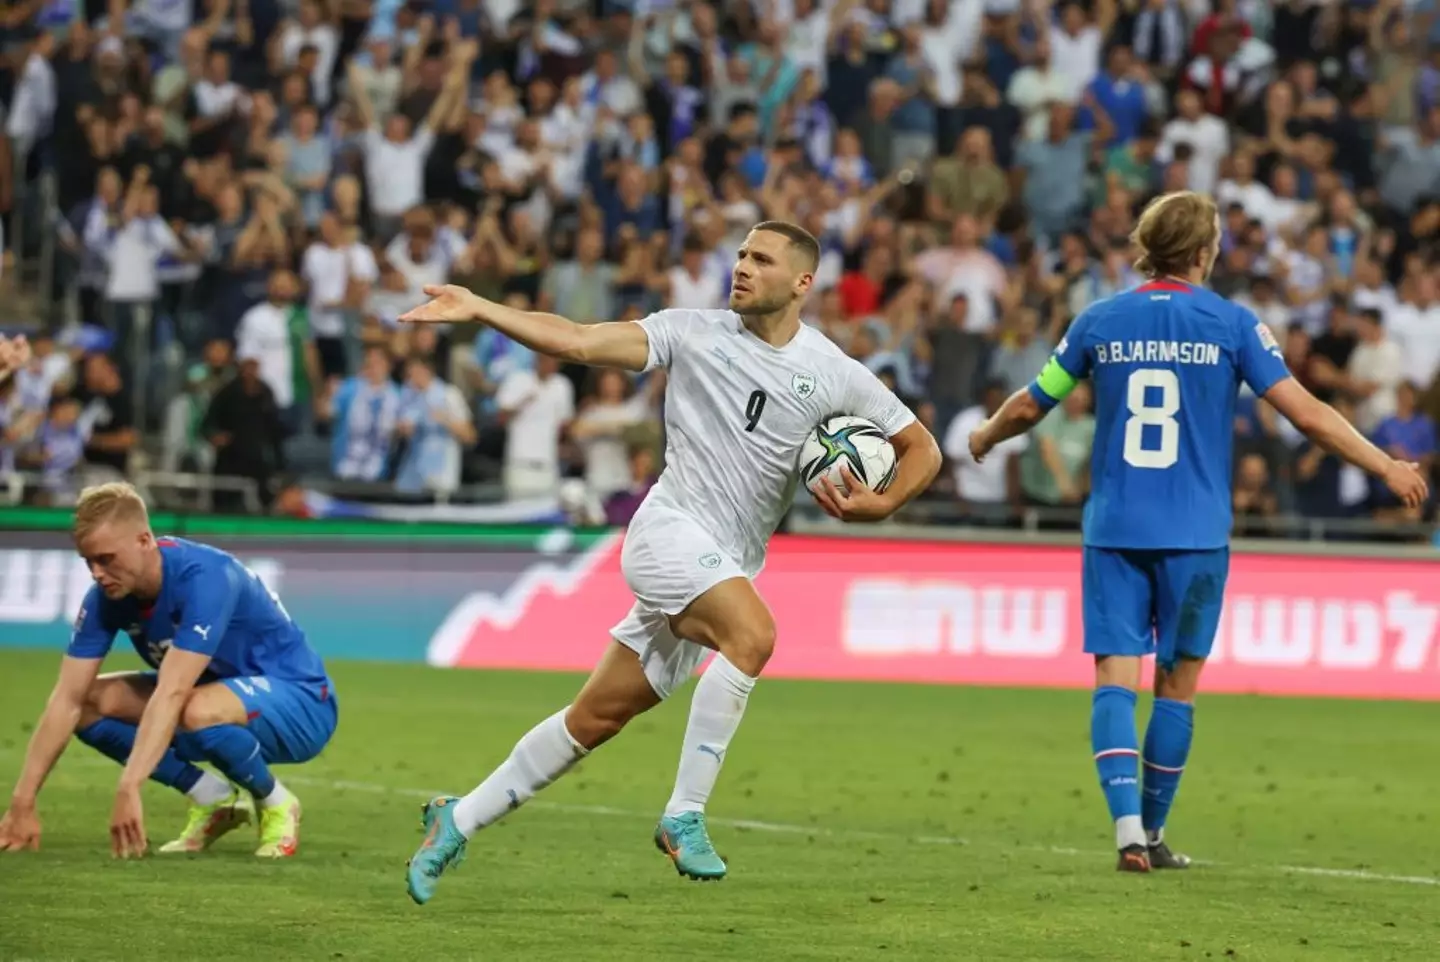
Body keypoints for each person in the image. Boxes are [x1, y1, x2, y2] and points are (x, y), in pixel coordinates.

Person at [397, 221, 942, 900]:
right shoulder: (690, 331)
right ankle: (684, 815)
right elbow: (578, 338)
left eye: (761, 259)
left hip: (726, 563)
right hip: (667, 532)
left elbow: (923, 448)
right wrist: (480, 307)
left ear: (803, 282)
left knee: (593, 719)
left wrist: (882, 505)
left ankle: (457, 819)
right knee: (754, 635)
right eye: (741, 254)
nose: (742, 267)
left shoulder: (833, 372)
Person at [967, 191, 1428, 873]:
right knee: (1176, 689)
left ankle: (1127, 829)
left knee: (1113, 681)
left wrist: (983, 433)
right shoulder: (1234, 324)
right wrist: (1385, 463)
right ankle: (1151, 833)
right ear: (1206, 252)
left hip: (1116, 528)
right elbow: (1306, 414)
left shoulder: (1100, 320)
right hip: (1197, 535)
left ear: (1147, 247)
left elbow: (1035, 402)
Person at [0, 482, 339, 859]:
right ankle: (212, 797)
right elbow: (66, 699)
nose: (97, 573)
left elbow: (173, 692)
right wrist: (22, 801)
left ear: (145, 540)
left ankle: (276, 802)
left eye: (107, 558)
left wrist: (129, 786)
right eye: (89, 561)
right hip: (212, 700)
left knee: (194, 706)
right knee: (89, 702)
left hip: (302, 703)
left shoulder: (206, 577)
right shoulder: (106, 597)